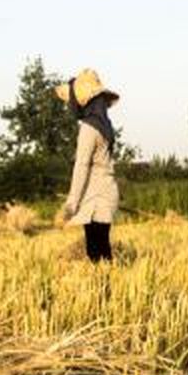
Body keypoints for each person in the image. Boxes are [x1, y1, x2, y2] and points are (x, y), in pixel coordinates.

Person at [53, 68, 120, 262]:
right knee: (103, 249)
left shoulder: (89, 129)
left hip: (94, 197)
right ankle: (107, 286)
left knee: (95, 251)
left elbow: (81, 166)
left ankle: (102, 288)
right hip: (107, 191)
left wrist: (71, 204)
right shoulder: (105, 124)